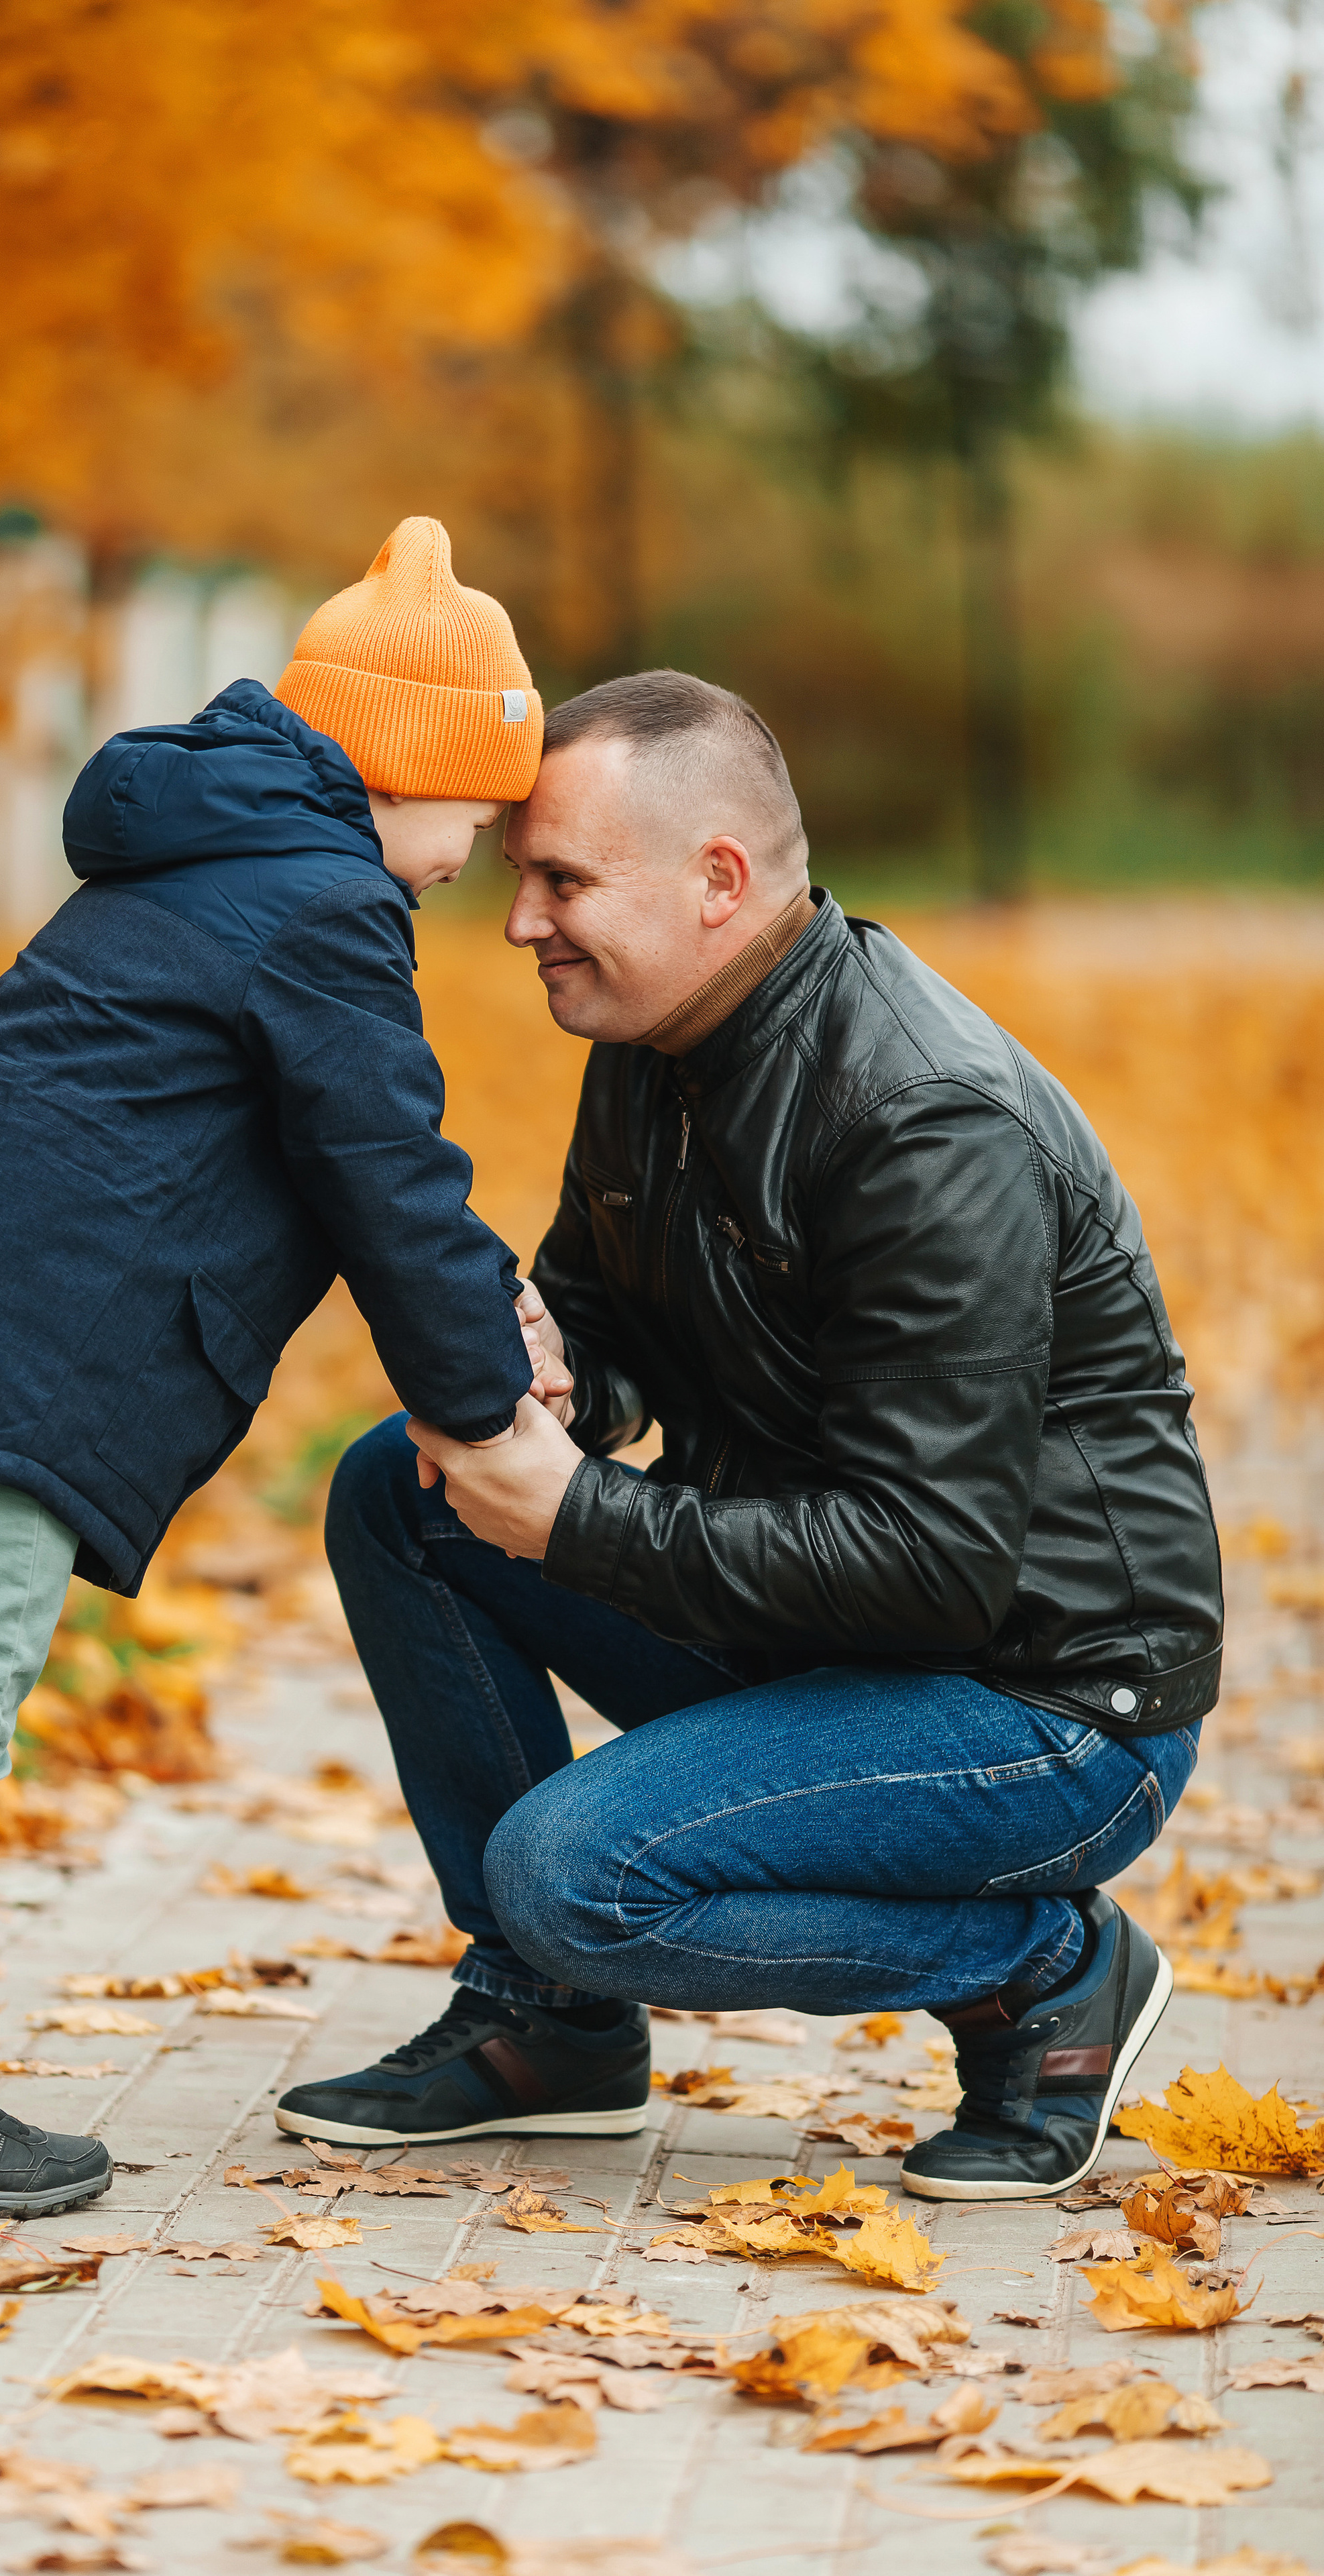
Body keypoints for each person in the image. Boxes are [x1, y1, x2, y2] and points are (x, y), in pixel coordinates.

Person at [0, 517, 561, 2218]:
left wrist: (485, 1301)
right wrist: (487, 1395)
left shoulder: (181, 861)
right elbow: (385, 1177)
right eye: (479, 802)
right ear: (401, 761)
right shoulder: (323, 908)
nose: (483, 845)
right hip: (9, 1369)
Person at [280, 667, 1223, 2202]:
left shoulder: (926, 1123)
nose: (519, 921)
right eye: (519, 875)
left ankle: (1046, 1973)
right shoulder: (656, 1051)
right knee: (407, 1488)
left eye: (562, 880)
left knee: (567, 1874)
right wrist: (552, 1377)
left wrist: (574, 1517)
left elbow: (932, 1572)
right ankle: (550, 2029)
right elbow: (615, 1329)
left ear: (715, 882)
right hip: (830, 1633)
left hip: (1046, 1703)